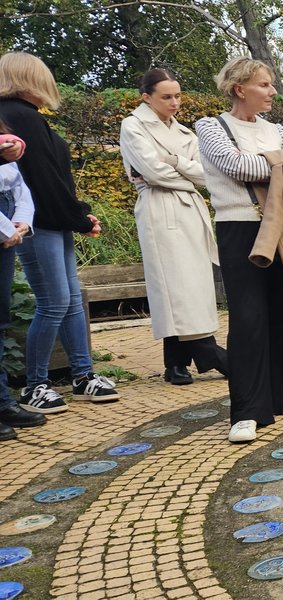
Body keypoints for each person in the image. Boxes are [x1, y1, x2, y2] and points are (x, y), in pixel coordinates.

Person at [0, 52, 121, 414]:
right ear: (30, 78)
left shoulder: (26, 117)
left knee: (67, 300)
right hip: (37, 223)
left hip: (53, 219)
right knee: (54, 302)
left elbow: (53, 176)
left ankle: (83, 375)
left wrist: (79, 213)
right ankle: (35, 385)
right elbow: (41, 181)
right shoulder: (17, 116)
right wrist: (80, 218)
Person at [194, 57, 283, 442]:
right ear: (239, 89)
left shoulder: (279, 129)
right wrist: (279, 165)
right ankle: (246, 410)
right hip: (239, 227)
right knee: (248, 317)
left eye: (271, 84)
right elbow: (234, 166)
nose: (272, 91)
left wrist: (274, 165)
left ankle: (281, 395)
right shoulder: (211, 127)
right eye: (264, 85)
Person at [119, 68, 228, 385]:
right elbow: (152, 173)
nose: (174, 102)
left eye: (178, 95)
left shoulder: (185, 134)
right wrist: (184, 172)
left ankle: (175, 363)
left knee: (191, 285)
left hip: (189, 209)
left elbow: (208, 174)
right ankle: (211, 354)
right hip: (159, 208)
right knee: (175, 285)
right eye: (166, 96)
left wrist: (177, 162)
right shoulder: (133, 126)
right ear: (147, 97)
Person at [0, 125, 49, 438]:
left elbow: (19, 188)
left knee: (0, 320)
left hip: (7, 230)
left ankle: (2, 401)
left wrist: (22, 223)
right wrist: (6, 230)